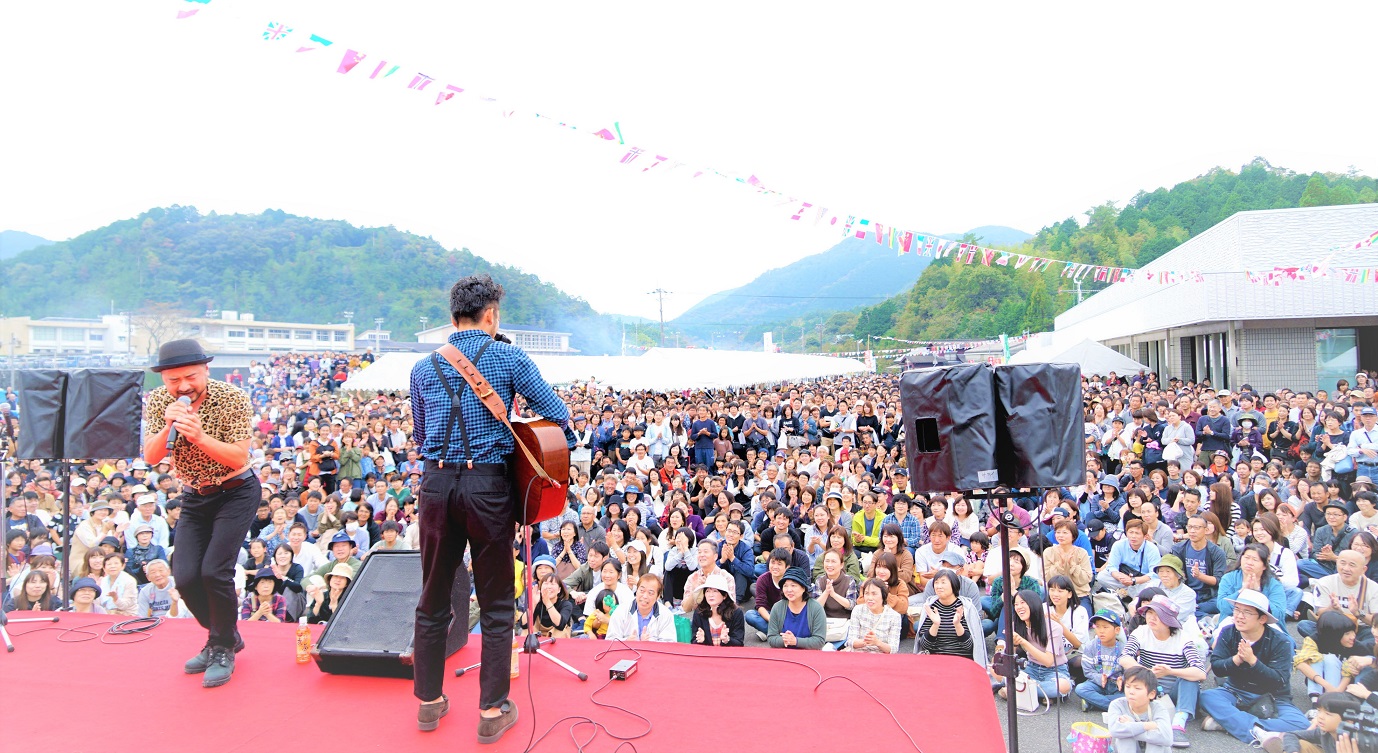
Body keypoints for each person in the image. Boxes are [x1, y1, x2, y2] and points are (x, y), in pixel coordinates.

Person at [407, 275, 570, 741]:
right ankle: (493, 710)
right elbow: (556, 412)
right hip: (487, 489)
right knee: (497, 601)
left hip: (436, 486)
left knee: (433, 596)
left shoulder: (422, 368)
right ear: (492, 314)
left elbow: (421, 436)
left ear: (452, 315)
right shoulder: (509, 355)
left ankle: (428, 702)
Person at [142, 338, 258, 688]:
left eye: (190, 377)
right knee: (187, 576)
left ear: (206, 370)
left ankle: (220, 645)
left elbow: (239, 457)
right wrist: (169, 426)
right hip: (193, 494)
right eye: (173, 380)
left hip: (236, 489)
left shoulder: (232, 398)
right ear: (163, 379)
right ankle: (225, 635)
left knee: (214, 572)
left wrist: (200, 436)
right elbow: (149, 455)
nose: (183, 386)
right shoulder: (160, 401)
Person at [1198, 589, 1309, 745]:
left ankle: (1229, 724)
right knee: (1206, 697)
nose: (1239, 616)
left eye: (1247, 612)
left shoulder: (1281, 641)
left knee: (1302, 724)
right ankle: (1258, 731)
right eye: (1237, 609)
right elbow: (1217, 667)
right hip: (1236, 691)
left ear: (1262, 618)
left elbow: (1279, 680)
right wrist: (1236, 659)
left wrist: (1253, 662)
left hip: (1272, 696)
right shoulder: (1228, 632)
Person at [1120, 595, 1206, 746]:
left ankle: (1178, 725)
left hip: (1175, 692)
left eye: (1157, 615)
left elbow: (1200, 673)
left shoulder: (1183, 638)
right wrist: (1146, 671)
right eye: (1149, 613)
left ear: (1169, 620)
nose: (1152, 618)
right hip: (1150, 689)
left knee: (1189, 679)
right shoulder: (1141, 632)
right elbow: (1124, 658)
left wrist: (1171, 671)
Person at [991, 590, 1071, 702]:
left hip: (1055, 670)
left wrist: (1023, 642)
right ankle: (1039, 694)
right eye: (1016, 604)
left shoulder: (1054, 627)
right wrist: (1013, 644)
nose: (1019, 607)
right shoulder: (1016, 625)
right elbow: (1009, 657)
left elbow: (1048, 661)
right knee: (995, 669)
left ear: (1033, 603)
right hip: (1030, 667)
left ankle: (1017, 689)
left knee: (1063, 686)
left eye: (1023, 603)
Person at [1298, 549, 1378, 651]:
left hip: (1360, 629)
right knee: (1304, 625)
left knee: (1372, 636)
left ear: (1363, 569)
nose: (1346, 568)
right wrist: (1332, 608)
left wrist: (1358, 613)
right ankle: (1354, 649)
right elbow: (1320, 614)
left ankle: (1334, 647)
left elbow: (1375, 623)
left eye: (1352, 565)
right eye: (1342, 563)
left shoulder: (1373, 588)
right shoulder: (1324, 582)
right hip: (1334, 628)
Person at [1294, 611, 1364, 711]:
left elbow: (1349, 672)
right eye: (1347, 633)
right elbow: (1301, 663)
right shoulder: (1314, 639)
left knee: (1330, 659)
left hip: (1342, 686)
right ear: (1334, 634)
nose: (1352, 637)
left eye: (1353, 632)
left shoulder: (1356, 646)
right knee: (1315, 658)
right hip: (1321, 681)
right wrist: (1326, 684)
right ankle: (1316, 703)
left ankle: (1332, 701)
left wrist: (1336, 691)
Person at [913, 569, 982, 663]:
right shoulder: (931, 606)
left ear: (954, 585)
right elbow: (925, 646)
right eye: (936, 583)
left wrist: (957, 624)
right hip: (937, 660)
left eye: (943, 582)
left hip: (962, 660)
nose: (939, 586)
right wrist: (935, 625)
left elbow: (969, 647)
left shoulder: (966, 608)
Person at [1074, 609, 1127, 712]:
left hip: (1117, 686)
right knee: (1081, 689)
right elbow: (1088, 670)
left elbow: (1130, 671)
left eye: (1105, 627)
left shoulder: (1123, 648)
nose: (1101, 631)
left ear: (1117, 630)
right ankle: (1115, 707)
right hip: (1098, 683)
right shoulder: (1091, 646)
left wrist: (1123, 679)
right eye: (1097, 627)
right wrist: (1098, 677)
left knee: (1130, 696)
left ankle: (1093, 703)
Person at [767, 566, 825, 650]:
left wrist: (796, 641)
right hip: (783, 654)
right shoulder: (777, 607)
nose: (789, 590)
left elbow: (819, 641)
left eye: (793, 585)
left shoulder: (816, 608)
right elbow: (771, 638)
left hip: (808, 655)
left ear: (803, 588)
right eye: (785, 586)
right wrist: (786, 640)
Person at [606, 573, 676, 642]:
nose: (645, 596)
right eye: (642, 591)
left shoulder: (666, 615)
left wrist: (650, 643)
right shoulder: (621, 611)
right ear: (636, 591)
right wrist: (626, 641)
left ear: (658, 597)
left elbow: (669, 645)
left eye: (650, 593)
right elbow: (610, 640)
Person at [688, 570, 745, 647]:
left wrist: (727, 640)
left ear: (724, 595)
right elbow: (693, 642)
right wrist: (700, 641)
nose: (710, 595)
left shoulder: (736, 613)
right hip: (707, 656)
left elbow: (739, 643)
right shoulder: (699, 612)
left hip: (728, 656)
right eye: (707, 591)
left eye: (715, 591)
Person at [845, 577, 901, 654]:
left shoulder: (894, 616)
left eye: (874, 594)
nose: (870, 598)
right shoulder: (858, 610)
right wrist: (865, 641)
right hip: (859, 655)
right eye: (867, 593)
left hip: (882, 657)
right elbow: (850, 641)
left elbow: (893, 649)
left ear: (883, 595)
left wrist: (877, 643)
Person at [748, 548, 790, 641]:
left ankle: (769, 633)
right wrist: (772, 620)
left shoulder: (791, 580)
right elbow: (760, 605)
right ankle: (781, 635)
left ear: (787, 567)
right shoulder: (763, 579)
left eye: (779, 564)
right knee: (750, 615)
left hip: (788, 615)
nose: (775, 566)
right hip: (769, 614)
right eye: (773, 562)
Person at [530, 573, 576, 638]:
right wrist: (533, 604)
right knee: (526, 630)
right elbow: (524, 624)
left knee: (559, 632)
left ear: (559, 590)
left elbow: (560, 625)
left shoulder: (566, 604)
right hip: (537, 636)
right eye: (546, 583)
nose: (549, 587)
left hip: (556, 636)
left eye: (552, 584)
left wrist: (548, 602)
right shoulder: (536, 600)